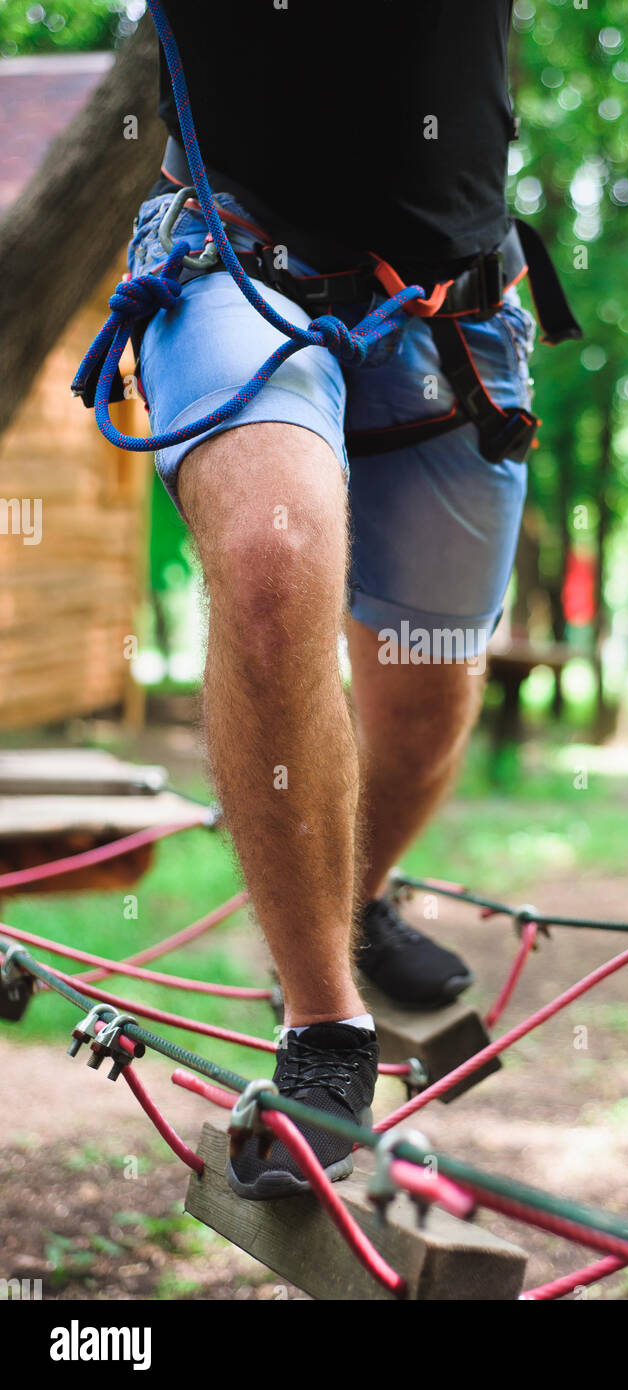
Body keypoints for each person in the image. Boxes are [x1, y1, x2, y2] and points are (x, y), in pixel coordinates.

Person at [126, 1, 559, 1199]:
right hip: (229, 258)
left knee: (421, 703)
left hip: (456, 307)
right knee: (272, 562)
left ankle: (356, 898)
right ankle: (324, 1022)